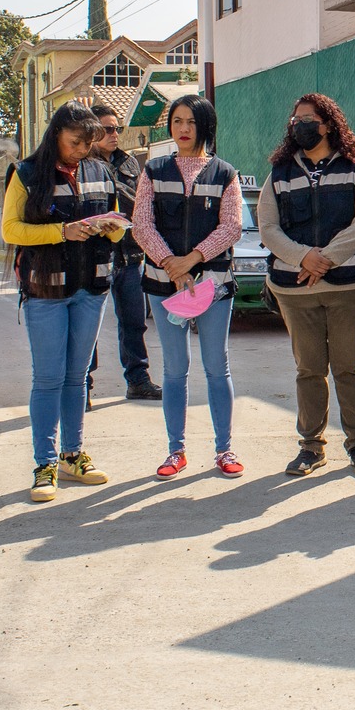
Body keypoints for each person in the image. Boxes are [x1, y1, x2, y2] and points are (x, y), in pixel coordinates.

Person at [3, 102, 129, 502]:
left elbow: (117, 229)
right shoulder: (26, 173)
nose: (81, 150)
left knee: (78, 377)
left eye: (88, 143)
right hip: (45, 289)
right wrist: (62, 231)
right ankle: (45, 464)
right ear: (56, 133)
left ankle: (73, 455)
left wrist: (111, 228)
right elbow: (10, 230)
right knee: (48, 378)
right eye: (76, 142)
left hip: (91, 287)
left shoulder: (100, 170)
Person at [256, 93, 355, 478]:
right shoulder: (280, 172)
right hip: (295, 290)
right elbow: (267, 226)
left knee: (349, 366)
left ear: (327, 124)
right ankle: (311, 447)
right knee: (308, 368)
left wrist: (324, 258)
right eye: (294, 121)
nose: (299, 126)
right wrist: (302, 257)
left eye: (307, 119)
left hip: (349, 286)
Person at [131, 94, 244, 481]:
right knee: (175, 369)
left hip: (212, 285)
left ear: (205, 127)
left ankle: (224, 449)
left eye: (190, 122)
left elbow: (230, 227)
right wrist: (170, 265)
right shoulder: (153, 171)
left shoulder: (225, 173)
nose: (182, 129)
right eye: (177, 121)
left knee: (217, 367)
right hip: (165, 287)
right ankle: (175, 451)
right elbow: (141, 225)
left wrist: (191, 260)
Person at [94, 105, 159, 401]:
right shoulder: (83, 164)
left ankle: (138, 379)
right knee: (89, 326)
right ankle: (83, 385)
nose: (114, 134)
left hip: (130, 256)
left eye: (117, 128)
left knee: (133, 321)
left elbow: (143, 202)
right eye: (107, 129)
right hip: (96, 256)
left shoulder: (129, 163)